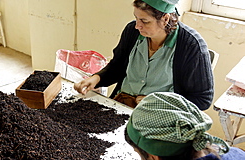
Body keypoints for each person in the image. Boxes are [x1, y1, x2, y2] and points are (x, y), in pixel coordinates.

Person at [74, 0, 213, 110]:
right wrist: (96, 78)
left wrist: (159, 103)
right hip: (123, 104)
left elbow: (202, 99)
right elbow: (117, 66)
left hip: (160, 115)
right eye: (136, 18)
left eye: (145, 21)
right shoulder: (132, 32)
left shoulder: (192, 46)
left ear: (165, 18)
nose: (137, 26)